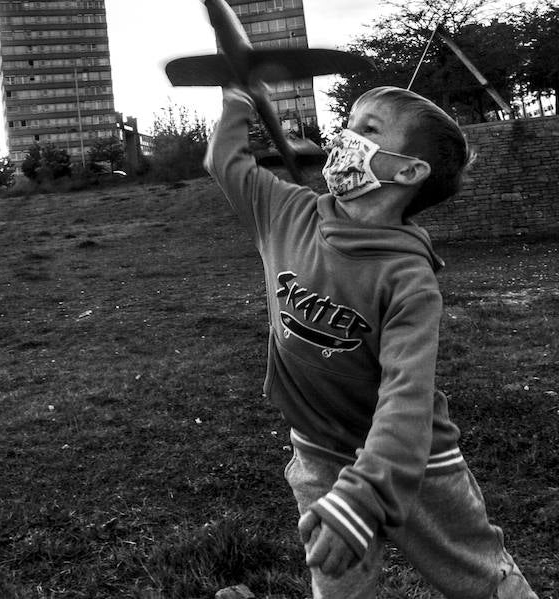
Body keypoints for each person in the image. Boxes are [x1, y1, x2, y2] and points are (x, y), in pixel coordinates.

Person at [205, 84, 537, 598]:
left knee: (477, 578)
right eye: (350, 122)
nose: (345, 138)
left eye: (368, 129)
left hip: (412, 461)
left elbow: (406, 398)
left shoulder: (408, 279)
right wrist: (236, 103)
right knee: (336, 582)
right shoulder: (287, 212)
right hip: (318, 447)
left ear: (408, 171)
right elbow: (226, 164)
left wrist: (364, 495)